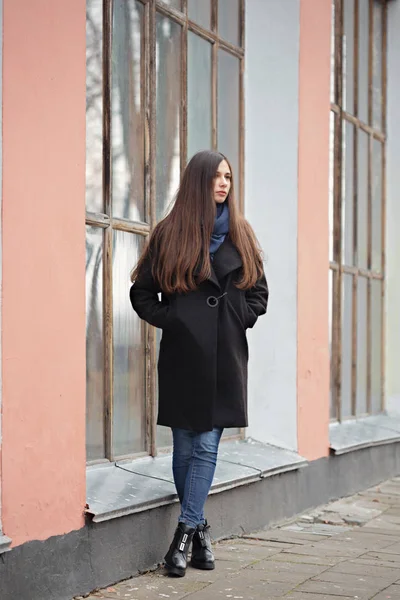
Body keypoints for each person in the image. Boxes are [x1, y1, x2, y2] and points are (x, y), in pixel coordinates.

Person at [130, 150, 269, 577]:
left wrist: (237, 316)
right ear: (198, 182)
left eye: (228, 177)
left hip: (225, 357)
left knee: (207, 444)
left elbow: (260, 294)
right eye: (216, 177)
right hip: (184, 357)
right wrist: (177, 319)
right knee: (185, 446)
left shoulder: (241, 234)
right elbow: (142, 294)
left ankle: (183, 534)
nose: (224, 184)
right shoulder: (170, 233)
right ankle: (201, 532)